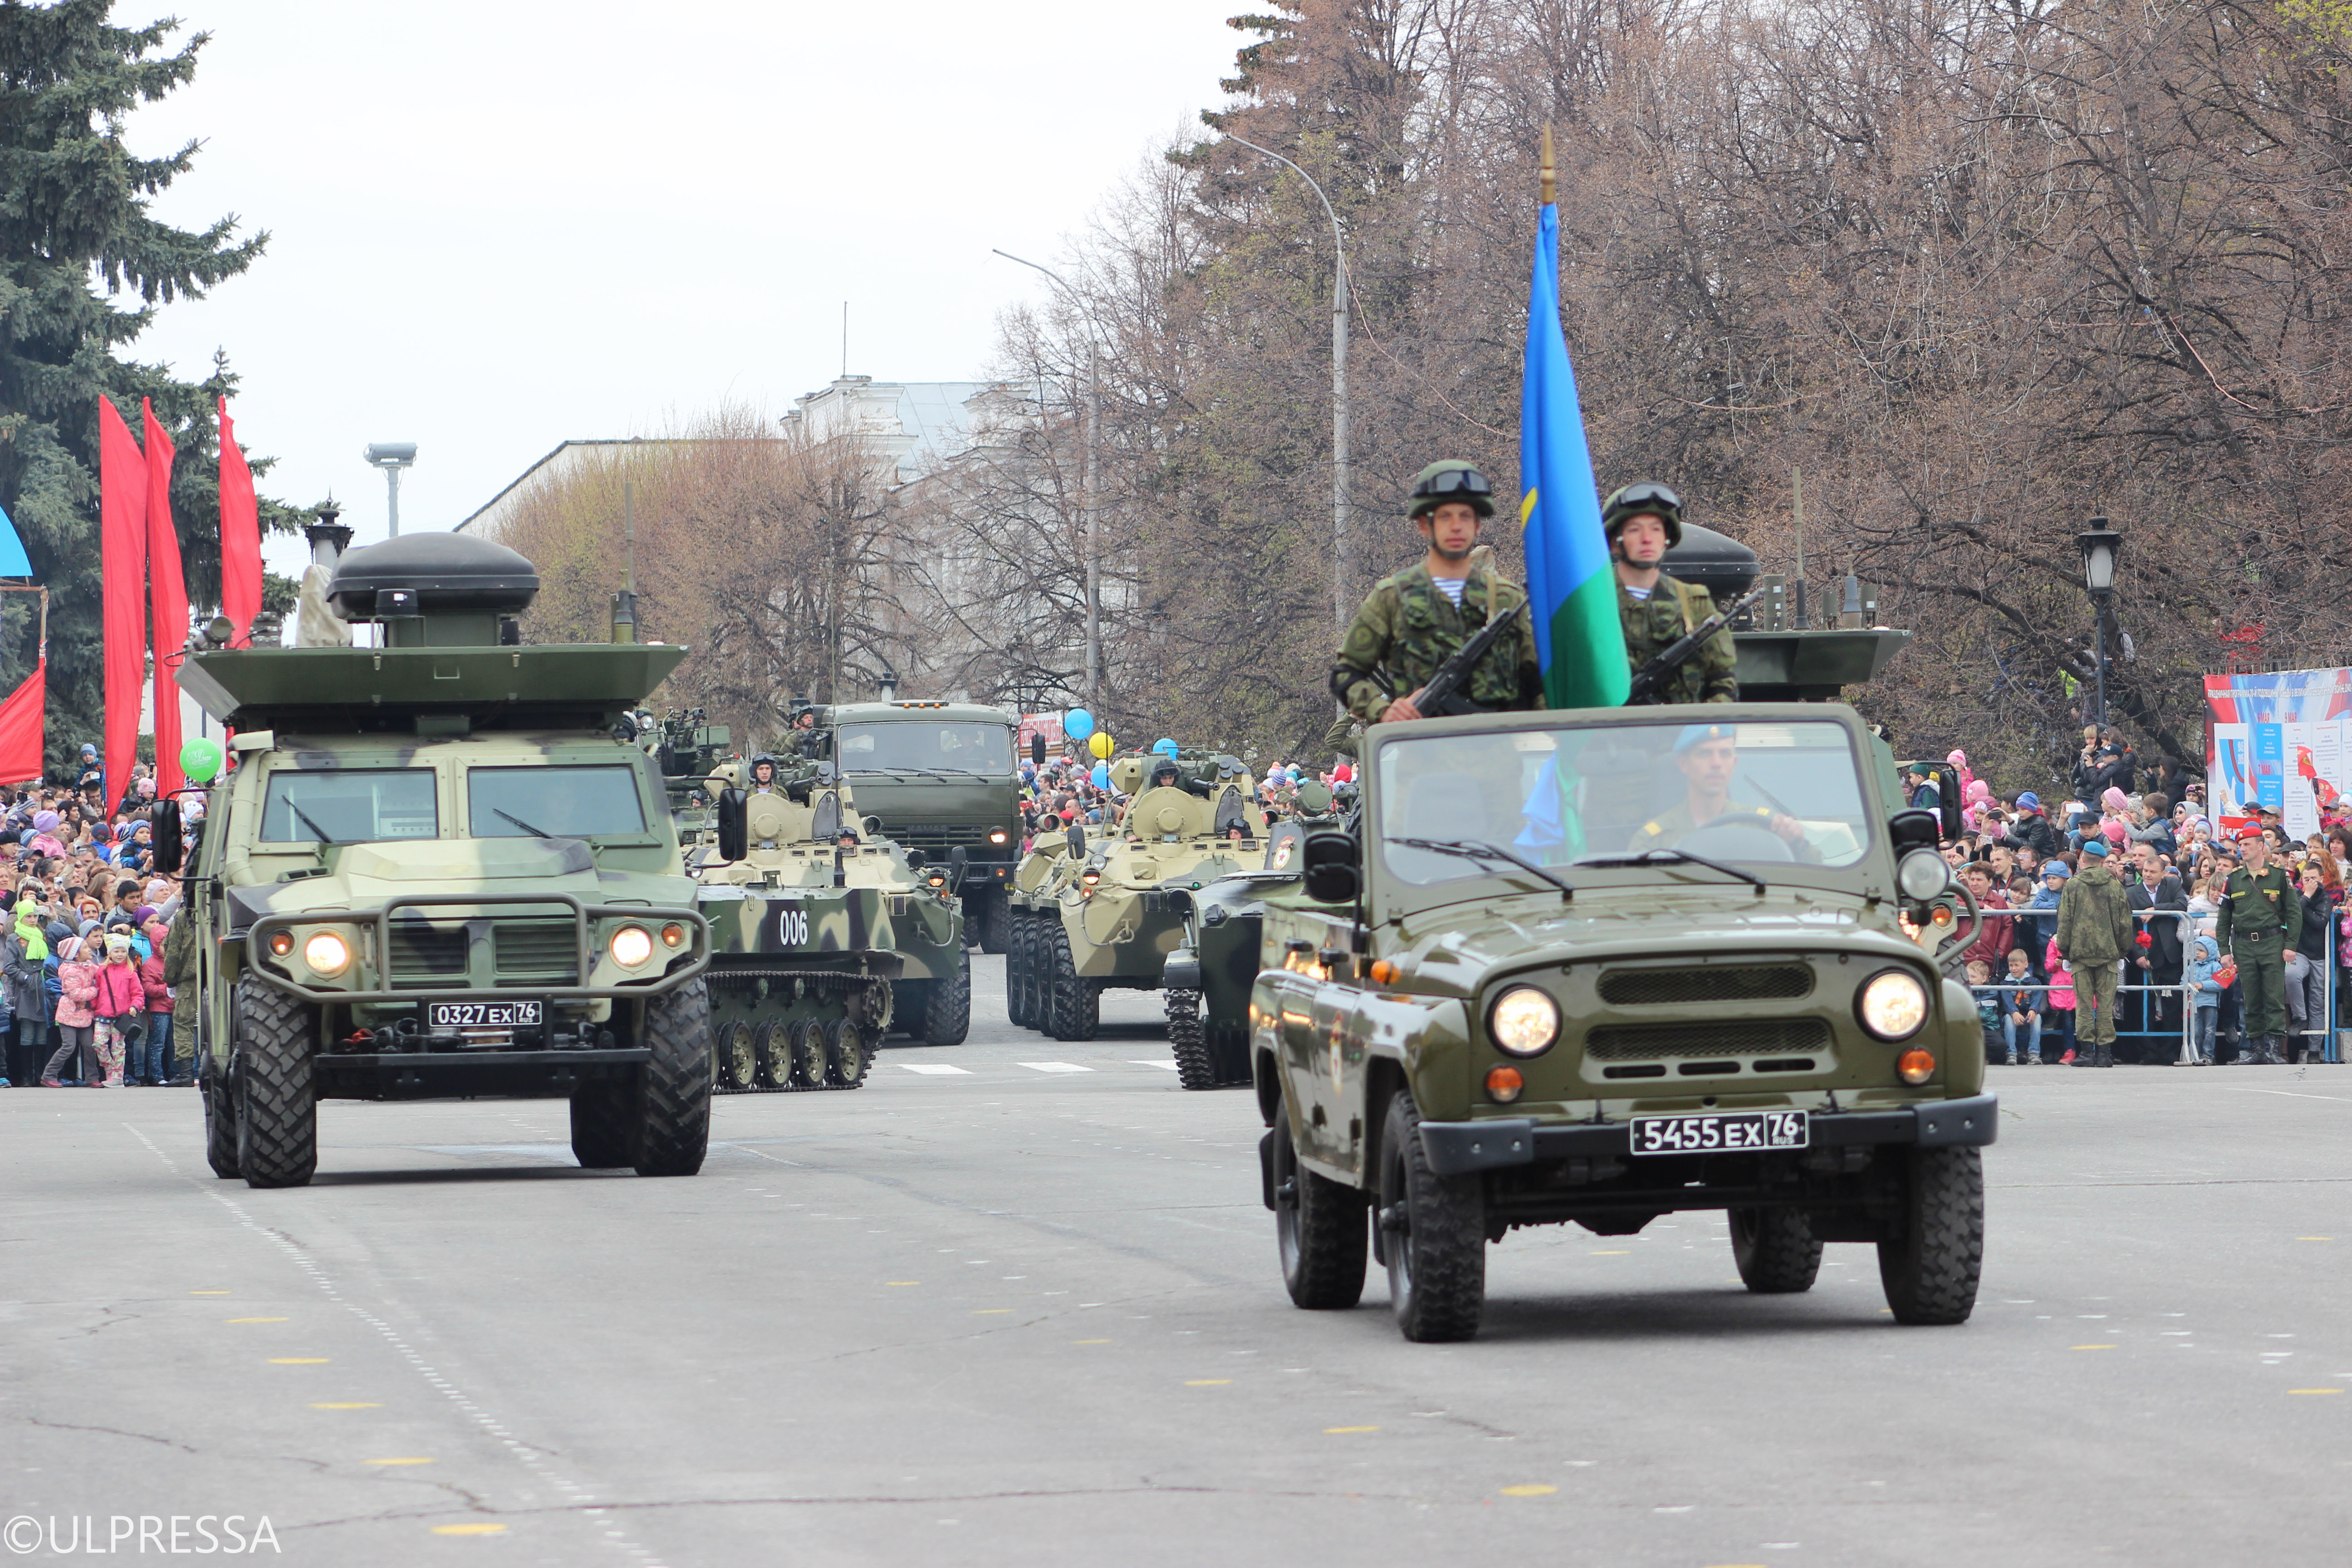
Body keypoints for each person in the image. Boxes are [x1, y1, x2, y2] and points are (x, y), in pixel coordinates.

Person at [1331, 461, 1543, 725]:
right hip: (1420, 756)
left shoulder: (1506, 600)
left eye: (1466, 516)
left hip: (1498, 757)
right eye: (1445, 516)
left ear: (1478, 526)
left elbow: (1539, 684)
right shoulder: (1392, 598)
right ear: (1423, 525)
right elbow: (1345, 674)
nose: (1456, 527)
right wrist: (1382, 709)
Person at [1602, 481, 1738, 706]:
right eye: (1634, 529)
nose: (1647, 539)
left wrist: (1707, 734)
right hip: (1608, 737)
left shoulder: (1693, 603)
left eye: (1656, 529)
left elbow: (1722, 681)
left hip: (1683, 735)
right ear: (1615, 543)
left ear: (1666, 538)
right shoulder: (1594, 603)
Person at [1627, 723, 1814, 854]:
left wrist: (1796, 841)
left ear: (1734, 763)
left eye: (1724, 754)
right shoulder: (1654, 840)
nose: (1716, 764)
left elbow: (1812, 875)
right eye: (1704, 753)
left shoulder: (1761, 827)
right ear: (1683, 764)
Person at [2215, 827, 2300, 1066]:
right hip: (2243, 945)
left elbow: (2294, 914)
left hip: (2272, 942)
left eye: (2247, 845)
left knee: (2273, 998)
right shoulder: (2234, 878)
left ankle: (2274, 1050)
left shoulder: (2279, 876)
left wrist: (2291, 944)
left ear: (2261, 846)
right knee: (2250, 1000)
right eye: (2240, 846)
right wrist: (2224, 951)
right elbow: (2224, 919)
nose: (2242, 849)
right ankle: (2256, 1050)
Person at [2056, 837, 2133, 1068]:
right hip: (2109, 954)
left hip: (2080, 954)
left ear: (2082, 859)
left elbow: (2065, 921)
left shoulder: (2073, 885)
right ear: (2102, 861)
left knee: (2084, 1004)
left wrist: (2066, 952)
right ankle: (2105, 1054)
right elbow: (2125, 925)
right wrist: (2121, 951)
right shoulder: (2115, 887)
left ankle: (2087, 1052)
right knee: (2106, 1005)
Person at [2287, 859, 2336, 1063]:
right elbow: (2292, 916)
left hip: (2320, 955)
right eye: (2306, 879)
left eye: (2314, 879)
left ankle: (2315, 1050)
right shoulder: (2298, 895)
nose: (2310, 882)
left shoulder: (2326, 898)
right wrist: (2306, 897)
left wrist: (2306, 908)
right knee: (2291, 975)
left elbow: (2320, 922)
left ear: (2321, 879)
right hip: (2300, 952)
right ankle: (2300, 1016)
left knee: (2318, 1000)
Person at [1999, 946, 2043, 1064]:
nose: (2013, 969)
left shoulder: (2034, 982)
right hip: (2013, 1015)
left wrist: (2034, 1010)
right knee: (2008, 1019)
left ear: (2026, 965)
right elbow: (2007, 1000)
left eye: (2016, 965)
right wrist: (2014, 1012)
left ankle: (2034, 1053)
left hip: (2028, 1014)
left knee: (2038, 1018)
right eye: (2011, 965)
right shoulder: (2005, 984)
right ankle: (2011, 1053)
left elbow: (2037, 997)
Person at [2185, 934, 2225, 1065]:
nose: (2197, 953)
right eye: (2196, 950)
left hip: (2210, 1003)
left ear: (2210, 952)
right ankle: (2195, 1054)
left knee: (2209, 1030)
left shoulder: (2216, 967)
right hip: (2195, 1003)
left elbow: (2221, 984)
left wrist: (2203, 986)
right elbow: (2183, 982)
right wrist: (2187, 987)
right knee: (2196, 1030)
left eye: (2201, 951)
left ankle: (2208, 1055)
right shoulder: (2191, 967)